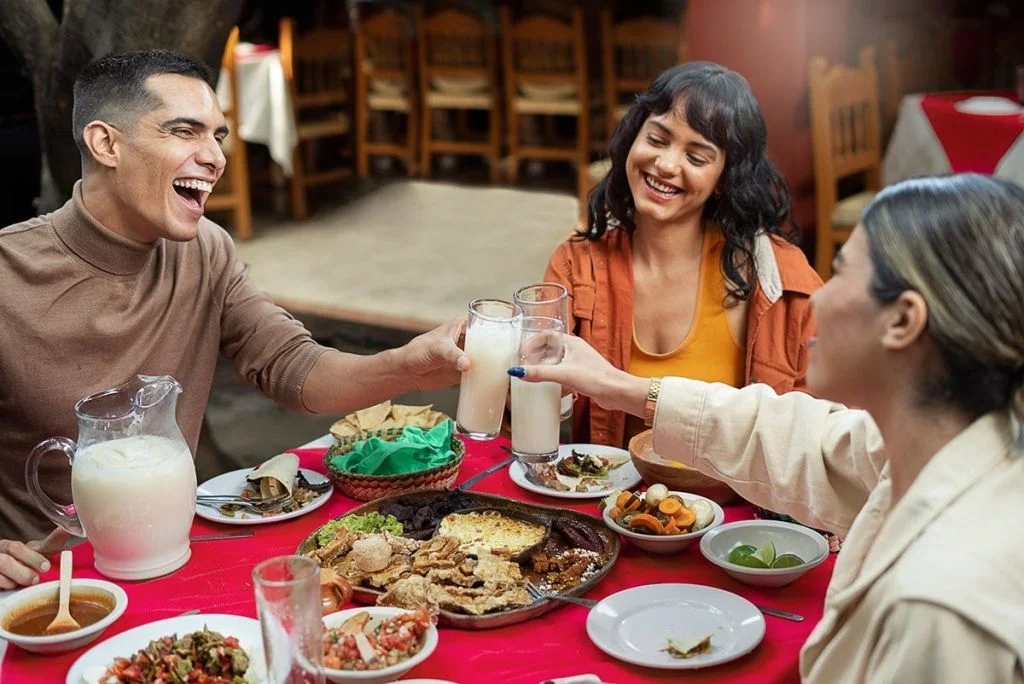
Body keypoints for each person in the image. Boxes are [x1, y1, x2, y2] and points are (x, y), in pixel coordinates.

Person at [512, 174, 1024, 682]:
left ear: (903, 321)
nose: (816, 299)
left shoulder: (938, 604)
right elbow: (804, 442)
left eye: (840, 272)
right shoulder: (952, 445)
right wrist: (618, 386)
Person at [0, 50, 468, 588]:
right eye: (184, 132)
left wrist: (408, 366)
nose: (216, 158)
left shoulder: (204, 250)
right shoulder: (9, 272)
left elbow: (294, 369)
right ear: (107, 144)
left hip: (176, 560)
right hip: (46, 589)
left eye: (218, 137)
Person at [544, 61, 822, 451]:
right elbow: (531, 410)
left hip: (735, 492)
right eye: (657, 139)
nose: (666, 165)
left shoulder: (782, 280)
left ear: (725, 179)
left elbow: (822, 430)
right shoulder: (577, 265)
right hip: (610, 489)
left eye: (697, 157)